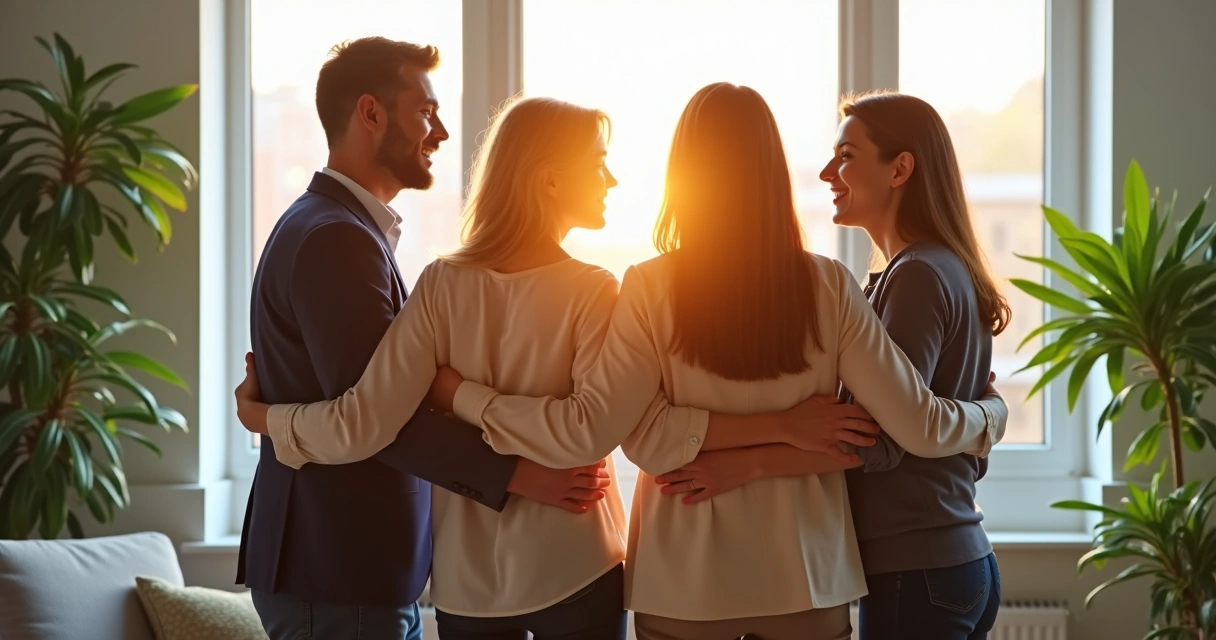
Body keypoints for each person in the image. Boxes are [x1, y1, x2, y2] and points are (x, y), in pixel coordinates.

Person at [240, 83, 1008, 640]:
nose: (609, 177)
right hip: (806, 574)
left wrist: (453, 395)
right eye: (598, 163)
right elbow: (903, 428)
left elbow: (638, 437)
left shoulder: (643, 285)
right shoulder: (828, 284)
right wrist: (987, 413)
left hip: (680, 580)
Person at [237, 38, 609, 640]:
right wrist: (519, 475)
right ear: (371, 113)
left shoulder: (334, 227)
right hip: (338, 564)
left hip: (344, 567)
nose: (440, 132)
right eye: (426, 112)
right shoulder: (337, 238)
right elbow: (377, 415)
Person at [658, 91, 1006, 640]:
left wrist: (743, 466)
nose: (826, 173)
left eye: (846, 156)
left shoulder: (917, 276)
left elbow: (881, 441)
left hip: (917, 564)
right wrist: (988, 416)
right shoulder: (929, 268)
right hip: (946, 557)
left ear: (900, 169)